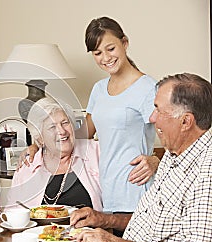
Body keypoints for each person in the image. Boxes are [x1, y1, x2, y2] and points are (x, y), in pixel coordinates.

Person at [20, 17, 160, 218]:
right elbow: (83, 133)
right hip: (106, 194)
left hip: (136, 191)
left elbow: (174, 139)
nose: (105, 58)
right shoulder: (99, 90)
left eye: (111, 49)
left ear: (125, 43)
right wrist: (39, 144)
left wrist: (155, 161)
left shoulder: (148, 88)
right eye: (98, 53)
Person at [70, 73, 212, 242]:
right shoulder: (173, 154)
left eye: (158, 110)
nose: (152, 118)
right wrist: (104, 220)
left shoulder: (206, 173)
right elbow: (148, 221)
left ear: (186, 122)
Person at [6, 97, 102, 211]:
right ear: (40, 138)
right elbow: (11, 214)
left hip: (90, 228)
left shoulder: (96, 152)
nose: (62, 131)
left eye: (65, 123)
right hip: (40, 229)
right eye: (52, 127)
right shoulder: (27, 167)